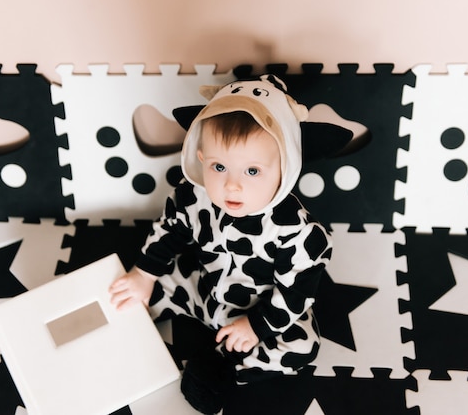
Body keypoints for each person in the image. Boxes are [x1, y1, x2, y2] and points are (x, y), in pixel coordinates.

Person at [109, 74, 333, 414]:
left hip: (259, 308)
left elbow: (294, 293)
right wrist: (144, 273)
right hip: (204, 289)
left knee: (303, 347)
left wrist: (256, 326)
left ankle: (225, 363)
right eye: (219, 166)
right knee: (134, 292)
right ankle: (112, 334)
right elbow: (170, 229)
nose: (232, 186)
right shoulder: (194, 196)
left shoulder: (298, 232)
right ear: (200, 157)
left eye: (253, 171)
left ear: (285, 169)